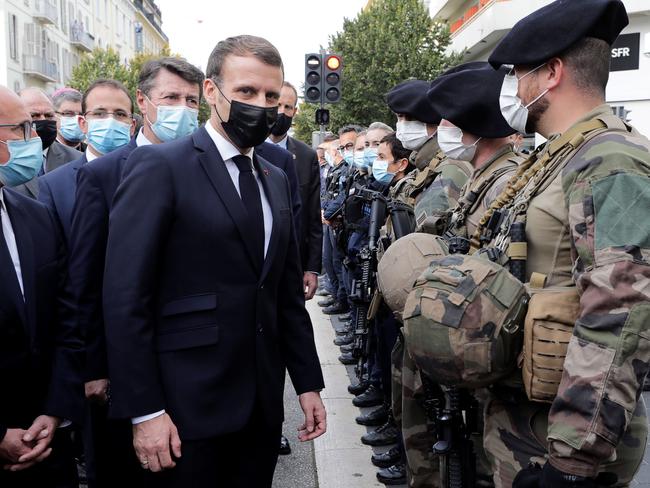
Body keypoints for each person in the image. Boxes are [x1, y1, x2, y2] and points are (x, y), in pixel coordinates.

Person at [103, 35, 326, 487]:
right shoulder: (161, 168)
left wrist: (307, 383)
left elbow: (283, 294)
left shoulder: (277, 177)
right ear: (211, 92)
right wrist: (145, 410)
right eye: (245, 92)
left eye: (270, 95)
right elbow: (126, 297)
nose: (261, 106)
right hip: (185, 409)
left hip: (261, 408)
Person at [482, 0, 649, 485]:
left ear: (551, 72)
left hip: (559, 436)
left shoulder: (610, 160)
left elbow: (621, 312)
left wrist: (573, 460)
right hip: (529, 413)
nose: (511, 89)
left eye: (518, 74)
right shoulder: (563, 154)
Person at [69, 58, 204, 488]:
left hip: (194, 364)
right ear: (143, 102)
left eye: (191, 100)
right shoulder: (103, 175)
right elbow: (87, 279)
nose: (181, 109)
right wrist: (94, 367)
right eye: (171, 98)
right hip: (126, 370)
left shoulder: (206, 169)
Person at [0, 85, 84, 488]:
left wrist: (55, 411)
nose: (35, 140)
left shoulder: (36, 216)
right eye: (22, 129)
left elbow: (67, 321)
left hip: (49, 445)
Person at [38, 79, 136, 244]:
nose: (110, 121)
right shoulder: (52, 186)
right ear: (82, 124)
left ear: (132, 126)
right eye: (99, 113)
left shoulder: (151, 175)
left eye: (120, 114)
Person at [267, 81, 323, 300]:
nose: (282, 112)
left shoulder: (306, 156)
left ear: (295, 112)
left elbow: (312, 217)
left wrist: (312, 267)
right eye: (277, 104)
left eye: (288, 107)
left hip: (293, 263)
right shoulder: (247, 148)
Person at [12, 88, 81, 198]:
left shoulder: (78, 160)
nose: (43, 120)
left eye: (49, 115)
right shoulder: (5, 160)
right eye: (34, 115)